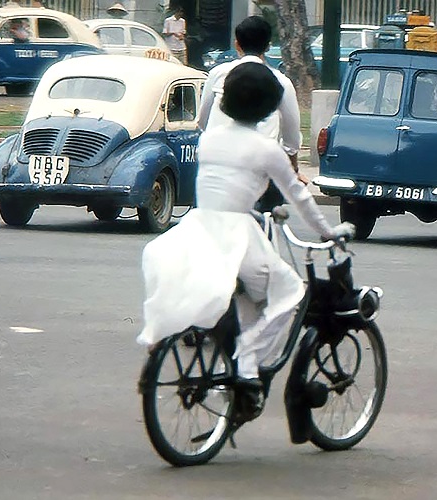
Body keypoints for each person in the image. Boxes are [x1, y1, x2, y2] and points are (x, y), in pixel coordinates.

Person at [138, 62, 353, 390]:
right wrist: (329, 232)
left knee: (248, 298)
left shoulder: (209, 140)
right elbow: (300, 197)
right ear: (268, 106)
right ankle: (246, 356)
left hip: (198, 229)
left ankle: (246, 375)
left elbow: (226, 187)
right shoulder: (266, 149)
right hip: (236, 235)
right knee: (290, 292)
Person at [197, 15, 305, 212]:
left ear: (237, 44)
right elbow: (291, 140)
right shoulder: (280, 81)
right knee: (270, 217)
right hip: (260, 172)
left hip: (219, 168)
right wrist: (294, 168)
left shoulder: (218, 74)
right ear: (268, 46)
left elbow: (203, 122)